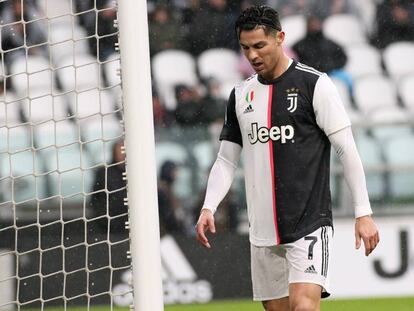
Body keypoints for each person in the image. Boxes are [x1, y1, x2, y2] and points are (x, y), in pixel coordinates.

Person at [195, 6, 379, 311]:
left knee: (304, 308)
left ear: (280, 38)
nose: (252, 56)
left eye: (259, 46)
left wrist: (364, 212)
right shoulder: (240, 96)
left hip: (308, 223)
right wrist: (208, 205)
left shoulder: (314, 85)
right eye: (245, 48)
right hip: (263, 230)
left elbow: (346, 148)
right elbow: (226, 160)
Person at [89, 140, 128, 234]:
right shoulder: (104, 173)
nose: (120, 155)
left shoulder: (133, 174)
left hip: (127, 221)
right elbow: (95, 197)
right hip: (108, 224)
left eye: (122, 151)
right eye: (118, 151)